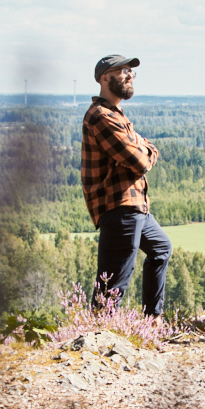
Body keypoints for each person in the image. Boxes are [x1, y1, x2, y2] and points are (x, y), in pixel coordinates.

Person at [81, 53, 171, 317]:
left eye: (131, 71)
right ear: (105, 78)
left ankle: (152, 321)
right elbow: (140, 161)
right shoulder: (101, 116)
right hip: (119, 206)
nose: (130, 75)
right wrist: (147, 150)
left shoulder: (115, 114)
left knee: (161, 249)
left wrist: (145, 149)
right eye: (123, 71)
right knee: (113, 283)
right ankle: (97, 334)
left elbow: (142, 151)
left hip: (134, 205)